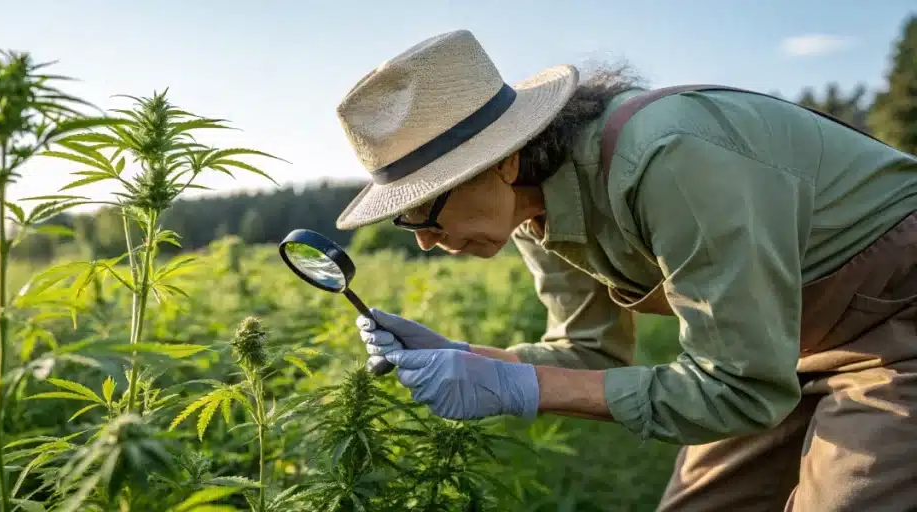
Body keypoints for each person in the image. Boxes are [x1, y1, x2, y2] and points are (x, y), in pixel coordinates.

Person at [332, 29, 917, 511]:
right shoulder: (532, 214)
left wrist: (521, 388)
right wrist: (471, 358)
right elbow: (592, 353)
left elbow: (739, 391)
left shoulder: (668, 160)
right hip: (777, 345)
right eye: (408, 224)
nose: (429, 241)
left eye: (428, 211)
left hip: (898, 323)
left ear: (503, 163)